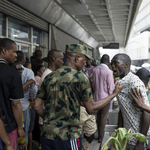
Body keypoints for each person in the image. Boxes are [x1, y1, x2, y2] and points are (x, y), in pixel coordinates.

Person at [33, 44, 122, 150]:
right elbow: (91, 108)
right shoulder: (80, 77)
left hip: (47, 135)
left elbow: (37, 105)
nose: (85, 63)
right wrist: (113, 94)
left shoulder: (49, 76)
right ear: (76, 58)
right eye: (84, 59)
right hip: (68, 136)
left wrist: (51, 120)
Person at [111, 53, 150, 150]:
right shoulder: (119, 83)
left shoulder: (134, 82)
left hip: (137, 137)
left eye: (116, 63)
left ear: (126, 65)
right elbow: (122, 109)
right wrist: (119, 131)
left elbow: (146, 112)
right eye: (112, 63)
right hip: (127, 136)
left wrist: (141, 142)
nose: (112, 66)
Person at [0, 38, 25, 150]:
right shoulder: (12, 73)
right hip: (8, 126)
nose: (15, 55)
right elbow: (15, 103)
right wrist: (20, 127)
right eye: (14, 51)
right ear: (4, 51)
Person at [16, 51, 37, 146]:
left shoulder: (8, 70)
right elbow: (33, 89)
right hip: (24, 106)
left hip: (9, 107)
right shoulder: (28, 72)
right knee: (24, 132)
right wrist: (31, 99)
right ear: (22, 59)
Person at [92, 54, 114, 144]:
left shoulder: (95, 70)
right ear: (108, 61)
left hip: (96, 98)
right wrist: (113, 99)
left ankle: (97, 133)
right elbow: (111, 88)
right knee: (103, 117)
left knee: (97, 117)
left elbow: (93, 84)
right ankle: (100, 136)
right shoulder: (108, 71)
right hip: (105, 99)